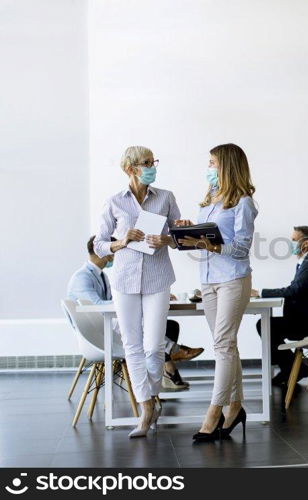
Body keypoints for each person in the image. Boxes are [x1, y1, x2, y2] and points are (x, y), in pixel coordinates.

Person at [94, 145, 181, 438]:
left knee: (154, 346)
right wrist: (122, 241)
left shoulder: (166, 197)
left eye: (153, 161)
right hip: (125, 279)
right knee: (131, 345)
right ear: (132, 168)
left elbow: (181, 239)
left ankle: (152, 396)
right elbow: (99, 245)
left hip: (158, 278)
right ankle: (146, 407)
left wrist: (166, 239)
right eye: (147, 162)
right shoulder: (115, 202)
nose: (152, 166)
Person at [176, 143, 257, 442]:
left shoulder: (243, 203)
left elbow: (241, 249)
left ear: (227, 166)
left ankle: (214, 412)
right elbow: (205, 236)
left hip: (233, 279)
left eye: (212, 163)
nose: (208, 168)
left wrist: (212, 245)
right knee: (226, 345)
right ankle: (235, 407)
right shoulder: (209, 199)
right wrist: (190, 230)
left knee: (223, 345)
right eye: (208, 163)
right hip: (208, 281)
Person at [67, 235, 204, 391]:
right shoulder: (82, 277)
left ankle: (167, 369)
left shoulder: (101, 275)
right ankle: (173, 354)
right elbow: (97, 306)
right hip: (99, 333)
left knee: (168, 325)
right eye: (116, 250)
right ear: (104, 252)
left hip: (108, 325)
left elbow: (113, 300)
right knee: (141, 325)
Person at [251, 226, 308, 386]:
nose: (291, 243)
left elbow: (293, 290)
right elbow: (296, 290)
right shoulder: (307, 262)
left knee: (266, 325)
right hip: (307, 318)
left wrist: (260, 292)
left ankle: (292, 368)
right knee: (267, 325)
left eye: (294, 240)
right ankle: (293, 367)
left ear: (306, 244)